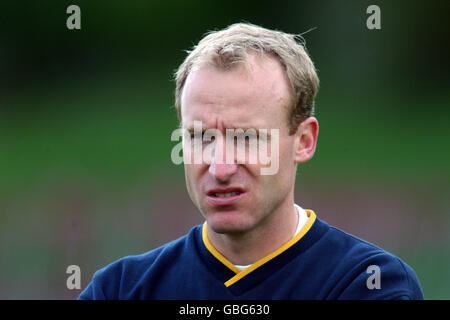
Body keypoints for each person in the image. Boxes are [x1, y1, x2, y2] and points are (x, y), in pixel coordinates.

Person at [78, 23, 423, 300]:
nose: (221, 167)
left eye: (247, 138)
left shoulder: (369, 284)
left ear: (303, 141)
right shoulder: (120, 289)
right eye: (200, 138)